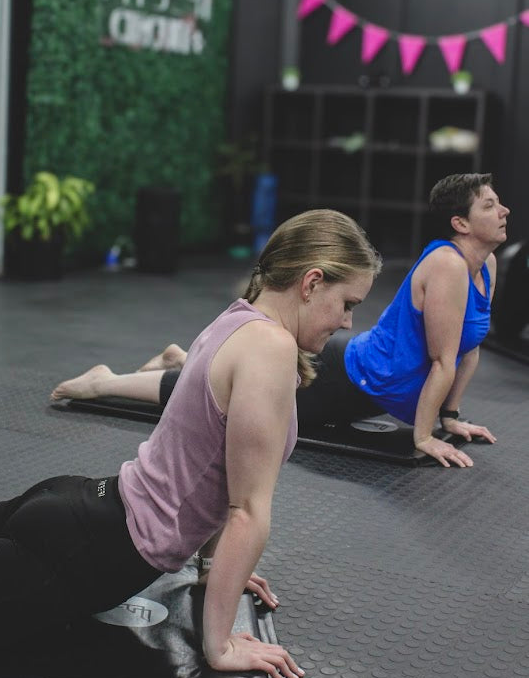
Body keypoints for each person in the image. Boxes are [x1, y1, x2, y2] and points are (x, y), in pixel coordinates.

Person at [0, 209, 381, 678]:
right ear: (312, 282)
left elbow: (213, 470)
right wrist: (221, 645)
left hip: (76, 504)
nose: (347, 321)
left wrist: (216, 568)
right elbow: (246, 511)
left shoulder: (236, 320)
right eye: (347, 303)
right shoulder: (272, 349)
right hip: (89, 553)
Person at [52, 173, 508, 470]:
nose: (503, 211)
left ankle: (182, 357)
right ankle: (105, 381)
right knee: (219, 398)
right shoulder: (448, 266)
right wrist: (425, 436)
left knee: (227, 382)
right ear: (459, 223)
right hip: (342, 379)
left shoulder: (483, 266)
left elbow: (469, 347)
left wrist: (449, 416)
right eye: (489, 205)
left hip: (368, 385)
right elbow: (442, 359)